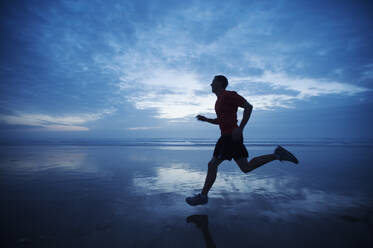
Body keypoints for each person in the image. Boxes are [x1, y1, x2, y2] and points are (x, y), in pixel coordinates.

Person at [186, 75, 298, 206]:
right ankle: (277, 154)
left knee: (212, 165)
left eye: (213, 82)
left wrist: (241, 128)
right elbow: (220, 121)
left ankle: (203, 196)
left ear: (220, 83)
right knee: (246, 167)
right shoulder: (218, 102)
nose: (210, 84)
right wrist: (206, 120)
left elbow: (248, 107)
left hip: (230, 137)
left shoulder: (230, 95)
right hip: (228, 137)